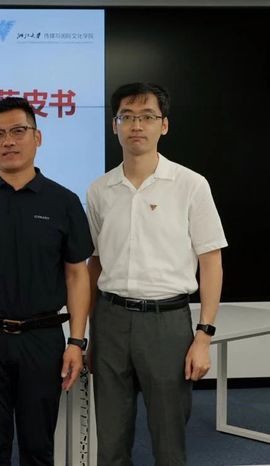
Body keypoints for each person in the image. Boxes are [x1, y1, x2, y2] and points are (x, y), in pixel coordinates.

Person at [86, 82, 227, 466]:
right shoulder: (99, 190)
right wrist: (89, 333)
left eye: (147, 116)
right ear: (114, 125)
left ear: (163, 125)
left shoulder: (191, 185)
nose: (137, 125)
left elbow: (211, 261)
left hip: (167, 323)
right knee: (110, 441)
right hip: (110, 320)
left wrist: (204, 336)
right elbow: (94, 263)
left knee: (169, 442)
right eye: (127, 117)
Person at [0, 97, 93, 466]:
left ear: (37, 137)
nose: (8, 141)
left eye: (18, 131)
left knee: (38, 446)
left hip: (42, 339)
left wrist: (76, 341)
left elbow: (77, 275)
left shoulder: (64, 202)